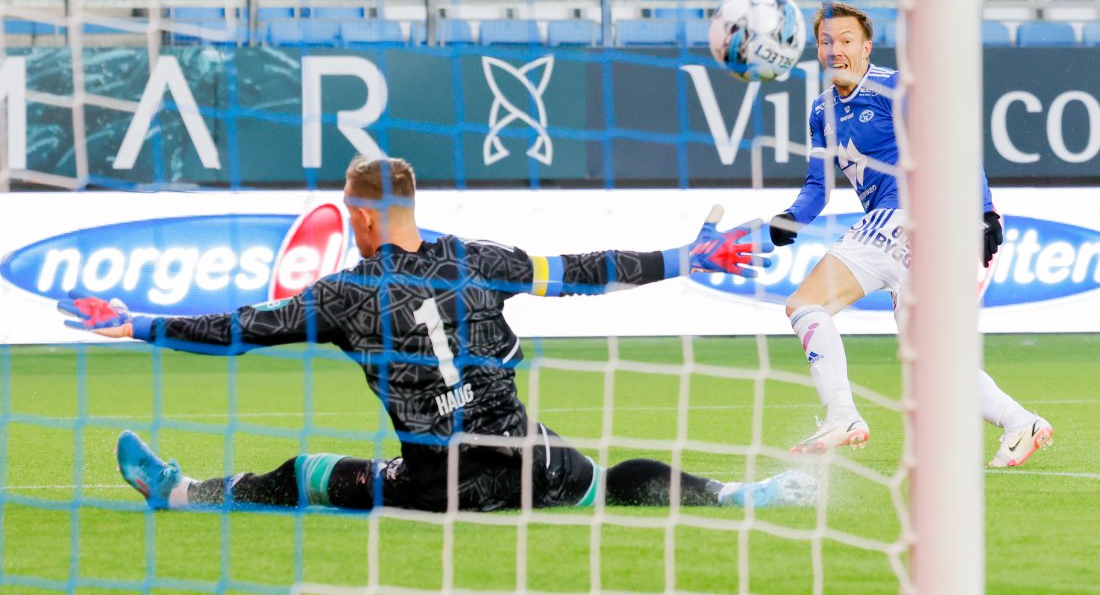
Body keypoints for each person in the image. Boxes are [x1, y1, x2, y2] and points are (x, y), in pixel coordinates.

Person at [61, 156, 816, 513]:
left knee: (312, 471)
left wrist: (137, 322)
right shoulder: (481, 258)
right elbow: (590, 268)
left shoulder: (345, 293)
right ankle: (736, 492)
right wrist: (688, 258)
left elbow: (239, 330)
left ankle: (183, 491)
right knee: (605, 482)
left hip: (441, 485)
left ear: (358, 217)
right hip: (537, 459)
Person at [764, 1, 1052, 466]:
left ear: (867, 46)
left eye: (846, 40)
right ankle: (1022, 423)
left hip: (903, 217)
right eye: (826, 41)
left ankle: (843, 414)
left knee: (804, 304)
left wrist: (983, 211)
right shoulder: (822, 110)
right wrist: (792, 218)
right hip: (914, 234)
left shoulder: (893, 86)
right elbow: (818, 187)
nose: (835, 49)